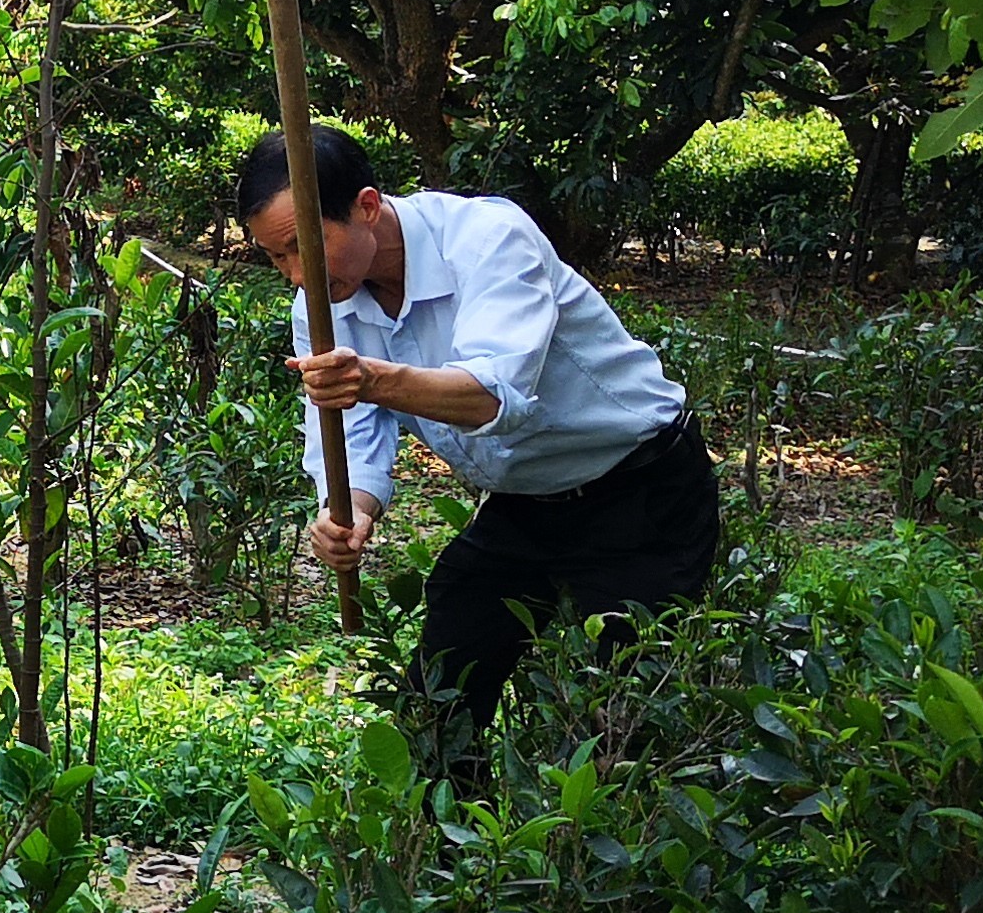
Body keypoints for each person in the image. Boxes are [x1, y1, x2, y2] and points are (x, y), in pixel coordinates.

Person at [249, 126, 718, 739]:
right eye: (276, 258)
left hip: (642, 487)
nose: (296, 277)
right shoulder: (321, 308)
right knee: (442, 686)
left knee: (633, 709)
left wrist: (372, 379)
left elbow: (493, 395)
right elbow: (349, 425)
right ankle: (445, 804)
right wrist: (351, 510)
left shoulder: (488, 240)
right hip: (524, 501)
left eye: (303, 248)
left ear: (366, 207)